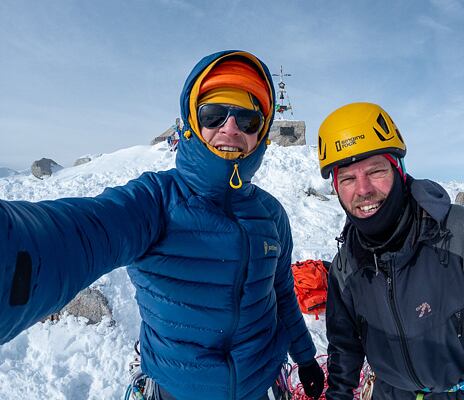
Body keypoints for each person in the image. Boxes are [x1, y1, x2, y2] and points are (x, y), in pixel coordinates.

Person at [0, 50, 324, 400]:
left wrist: (306, 358)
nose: (230, 128)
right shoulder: (155, 201)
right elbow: (78, 235)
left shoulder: (272, 215)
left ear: (260, 134)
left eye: (248, 120)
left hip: (259, 389)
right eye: (214, 114)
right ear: (191, 122)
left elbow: (281, 294)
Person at [317, 102, 464, 400]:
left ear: (399, 171)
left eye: (376, 171)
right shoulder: (346, 267)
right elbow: (344, 349)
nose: (363, 189)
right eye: (347, 179)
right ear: (337, 188)